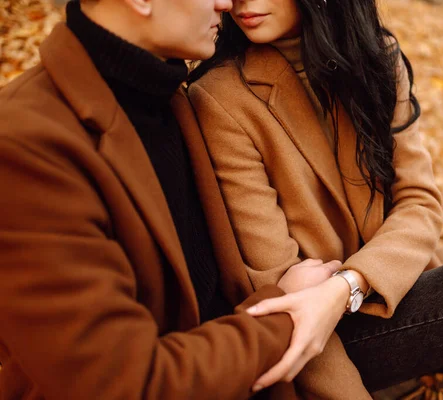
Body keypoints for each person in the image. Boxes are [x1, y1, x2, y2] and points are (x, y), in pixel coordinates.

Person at [187, 0, 443, 398]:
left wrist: (349, 285)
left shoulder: (375, 59)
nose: (241, 2)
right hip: (329, 337)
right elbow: (280, 293)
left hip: (389, 286)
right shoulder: (221, 98)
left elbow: (419, 200)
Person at [0, 0, 337, 398]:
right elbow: (125, 384)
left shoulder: (168, 98)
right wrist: (285, 314)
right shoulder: (25, 144)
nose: (226, 3)